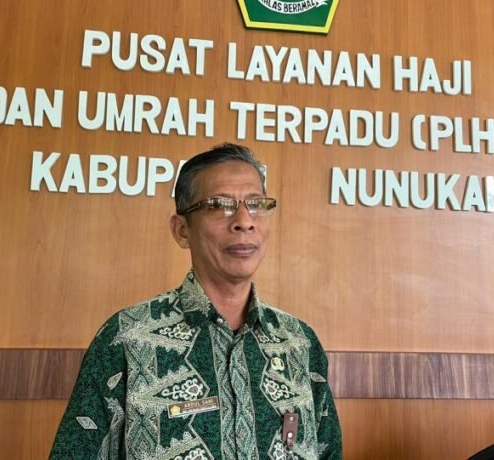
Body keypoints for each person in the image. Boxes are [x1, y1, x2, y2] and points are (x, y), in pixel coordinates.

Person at [50, 143, 342, 459]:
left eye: (256, 204)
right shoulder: (127, 338)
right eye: (219, 205)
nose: (244, 221)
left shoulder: (299, 343)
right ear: (182, 230)